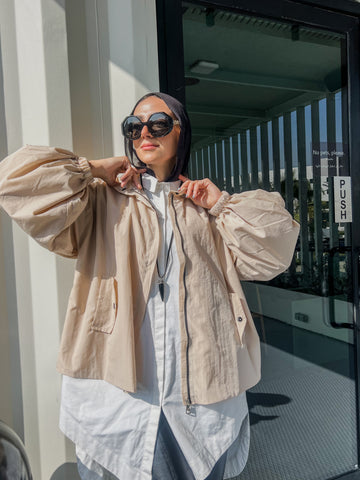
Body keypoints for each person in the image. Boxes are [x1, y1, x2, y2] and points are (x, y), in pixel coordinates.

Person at [0, 92, 299, 480]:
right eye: (134, 126)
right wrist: (92, 167)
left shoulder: (207, 209)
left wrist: (220, 203)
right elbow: (15, 183)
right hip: (115, 394)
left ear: (181, 133)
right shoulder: (100, 201)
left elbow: (277, 246)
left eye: (158, 123)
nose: (145, 132)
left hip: (201, 398)